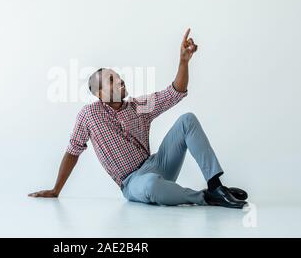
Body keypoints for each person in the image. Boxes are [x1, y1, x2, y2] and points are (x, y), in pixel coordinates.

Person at [29, 28, 248, 209]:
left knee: (187, 120)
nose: (120, 81)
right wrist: (56, 190)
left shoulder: (138, 106)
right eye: (112, 80)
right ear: (99, 93)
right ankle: (205, 197)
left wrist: (183, 62)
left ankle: (216, 185)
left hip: (157, 164)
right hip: (133, 182)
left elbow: (175, 92)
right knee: (151, 185)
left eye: (119, 77)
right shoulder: (89, 115)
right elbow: (72, 152)